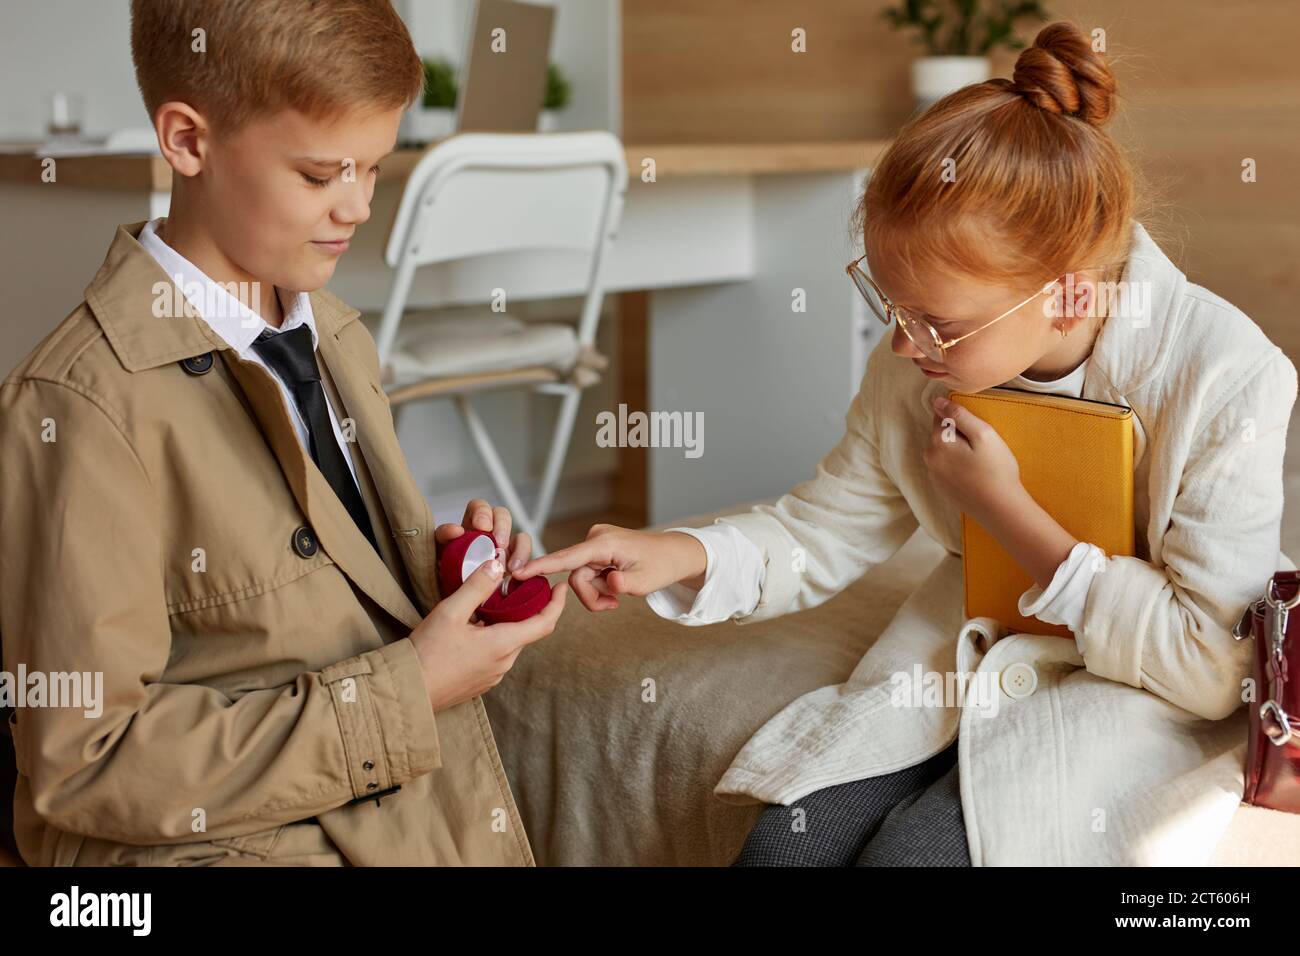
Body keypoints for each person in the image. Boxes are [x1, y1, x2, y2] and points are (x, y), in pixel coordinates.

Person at [514, 21, 1298, 866]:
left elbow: (1210, 668)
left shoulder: (1227, 375)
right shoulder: (923, 357)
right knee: (784, 847)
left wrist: (1003, 508)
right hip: (957, 655)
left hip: (1136, 692)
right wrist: (673, 553)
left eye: (936, 322)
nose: (902, 346)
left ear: (1069, 295)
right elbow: (822, 527)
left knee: (914, 857)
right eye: (889, 304)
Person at [0, 0, 565, 866]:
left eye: (374, 169)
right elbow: (87, 761)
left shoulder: (336, 331)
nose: (358, 208)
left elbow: (297, 583)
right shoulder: (78, 403)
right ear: (188, 140)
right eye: (318, 176)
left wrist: (442, 573)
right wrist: (407, 692)